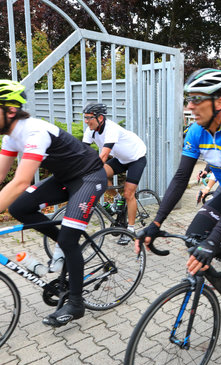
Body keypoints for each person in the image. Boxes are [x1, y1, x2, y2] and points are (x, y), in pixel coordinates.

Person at [136, 68, 221, 347]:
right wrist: (156, 223)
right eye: (188, 99)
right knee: (193, 240)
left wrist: (214, 242)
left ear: (219, 102)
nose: (189, 106)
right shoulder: (197, 131)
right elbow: (179, 180)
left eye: (197, 99)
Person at [0, 80, 107, 326]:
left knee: (70, 239)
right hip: (65, 179)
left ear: (10, 110)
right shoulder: (11, 137)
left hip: (89, 177)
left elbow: (20, 181)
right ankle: (65, 242)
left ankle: (76, 303)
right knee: (19, 208)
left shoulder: (33, 131)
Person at [82, 103, 147, 244]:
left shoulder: (111, 129)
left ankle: (130, 229)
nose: (86, 121)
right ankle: (117, 199)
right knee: (100, 175)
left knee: (129, 193)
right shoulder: (90, 130)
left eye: (89, 118)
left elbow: (103, 156)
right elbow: (83, 152)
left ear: (100, 118)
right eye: (85, 118)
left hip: (136, 158)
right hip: (121, 159)